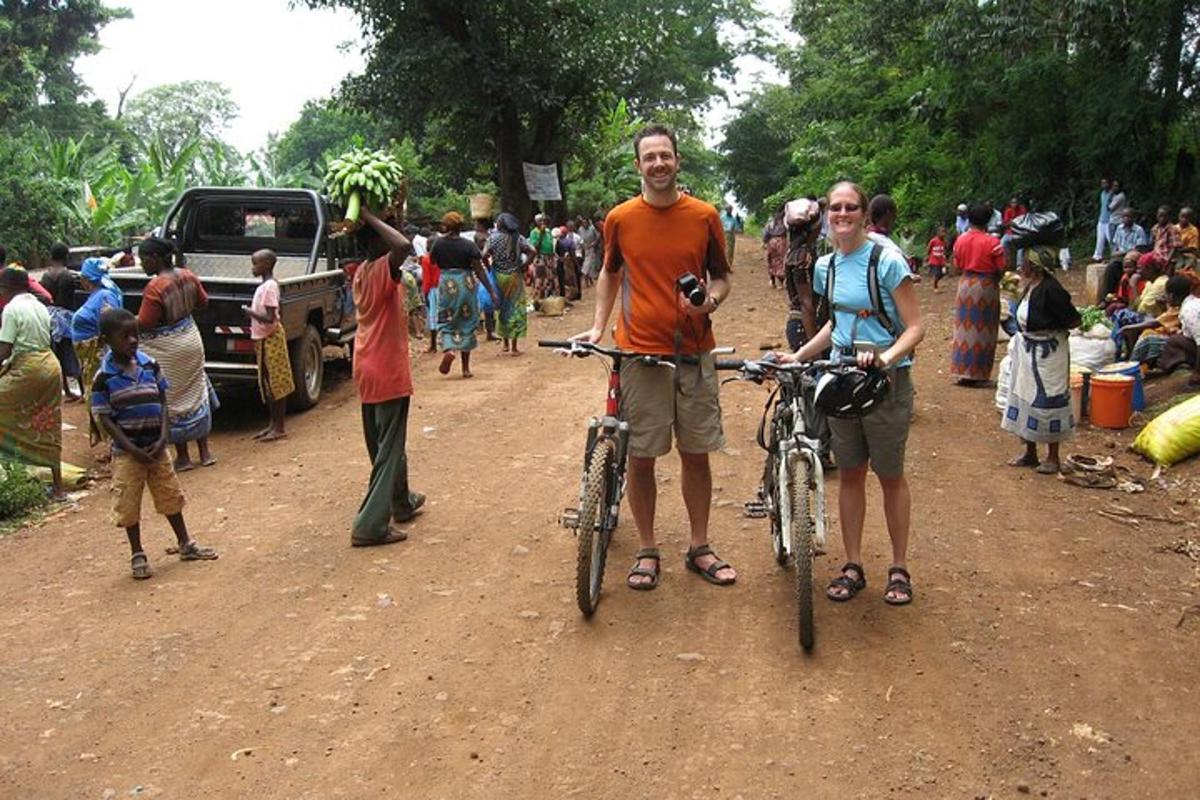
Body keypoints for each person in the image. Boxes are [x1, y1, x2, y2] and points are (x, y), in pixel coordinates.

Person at [572, 123, 735, 590]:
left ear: (677, 161)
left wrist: (711, 301)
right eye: (650, 157)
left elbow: (722, 276)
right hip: (640, 352)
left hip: (694, 352)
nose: (659, 163)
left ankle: (699, 546)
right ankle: (647, 548)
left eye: (666, 155)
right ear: (638, 165)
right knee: (641, 456)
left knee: (696, 453)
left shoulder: (704, 215)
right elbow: (609, 274)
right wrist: (599, 327)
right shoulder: (620, 218)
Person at [783, 181, 925, 606]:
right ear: (827, 215)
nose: (842, 215)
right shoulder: (825, 266)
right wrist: (801, 356)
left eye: (851, 208)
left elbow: (916, 326)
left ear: (865, 214)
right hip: (843, 376)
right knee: (849, 473)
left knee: (890, 474)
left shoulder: (886, 261)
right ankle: (853, 563)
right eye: (836, 208)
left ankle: (898, 567)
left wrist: (885, 356)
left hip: (886, 381)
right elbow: (835, 325)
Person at [91, 307, 217, 579]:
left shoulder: (150, 364)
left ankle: (185, 543)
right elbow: (106, 419)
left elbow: (162, 401)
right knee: (128, 502)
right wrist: (131, 448)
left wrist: (163, 437)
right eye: (125, 337)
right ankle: (137, 553)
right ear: (107, 341)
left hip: (157, 448)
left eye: (135, 335)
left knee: (170, 494)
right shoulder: (103, 378)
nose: (133, 341)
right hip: (128, 453)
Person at [350, 207, 425, 547]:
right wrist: (369, 216)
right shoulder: (381, 268)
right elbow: (403, 247)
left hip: (366, 363)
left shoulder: (362, 272)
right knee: (389, 448)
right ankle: (370, 525)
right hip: (386, 366)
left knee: (386, 443)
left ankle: (401, 501)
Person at [135, 237, 217, 471]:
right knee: (197, 390)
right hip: (191, 338)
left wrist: (123, 320)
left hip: (168, 348)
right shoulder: (188, 275)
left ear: (155, 258)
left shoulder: (156, 286)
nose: (142, 265)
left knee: (172, 399)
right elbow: (203, 302)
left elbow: (146, 322)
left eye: (143, 259)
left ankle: (183, 456)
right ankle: (205, 451)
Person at [1001, 248, 1082, 475]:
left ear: (1035, 266)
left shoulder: (1051, 290)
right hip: (1028, 349)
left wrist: (1049, 331)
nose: (1021, 266)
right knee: (1026, 396)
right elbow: (1008, 295)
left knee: (1049, 399)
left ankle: (1053, 457)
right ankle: (1030, 451)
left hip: (1048, 353)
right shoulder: (1028, 285)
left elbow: (1073, 319)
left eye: (1024, 263)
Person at [0, 266, 64, 498]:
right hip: (50, 364)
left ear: (6, 288)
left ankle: (9, 470)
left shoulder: (10, 309)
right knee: (48, 422)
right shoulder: (38, 305)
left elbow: (4, 350)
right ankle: (58, 487)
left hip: (29, 368)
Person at [432, 211, 498, 379]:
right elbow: (479, 269)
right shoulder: (469, 245)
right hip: (465, 284)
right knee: (467, 321)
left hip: (447, 283)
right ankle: (465, 368)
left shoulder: (438, 244)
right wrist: (491, 291)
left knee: (447, 320)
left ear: (446, 226)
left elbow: (433, 261)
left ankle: (449, 349)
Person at [950, 203, 1006, 385]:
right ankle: (979, 375)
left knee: (964, 329)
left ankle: (962, 372)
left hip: (965, 285)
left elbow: (956, 266)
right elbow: (1001, 267)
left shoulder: (961, 240)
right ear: (988, 221)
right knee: (984, 329)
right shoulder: (993, 242)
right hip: (986, 286)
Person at [241, 249, 293, 442]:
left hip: (271, 338)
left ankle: (279, 427)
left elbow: (270, 318)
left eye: (256, 264)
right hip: (263, 338)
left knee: (276, 382)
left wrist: (250, 312)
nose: (253, 268)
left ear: (267, 265)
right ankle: (273, 424)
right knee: (267, 382)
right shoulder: (264, 286)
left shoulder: (270, 287)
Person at [482, 212, 536, 355]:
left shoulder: (492, 239)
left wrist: (489, 268)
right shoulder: (518, 238)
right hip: (514, 276)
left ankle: (505, 344)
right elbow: (532, 251)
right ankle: (514, 347)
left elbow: (484, 255)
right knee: (516, 309)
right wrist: (525, 265)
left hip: (498, 275)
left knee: (503, 309)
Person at [39, 242, 82, 400]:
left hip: (51, 318)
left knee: (57, 354)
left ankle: (66, 390)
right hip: (67, 319)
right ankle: (82, 390)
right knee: (73, 352)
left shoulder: (46, 276)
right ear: (66, 256)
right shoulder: (68, 275)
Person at [1121, 276, 1193, 365]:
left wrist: (1128, 328)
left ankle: (1133, 364)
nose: (1165, 297)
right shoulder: (1182, 304)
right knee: (1147, 332)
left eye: (1166, 294)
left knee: (1148, 340)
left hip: (1185, 342)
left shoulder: (1181, 309)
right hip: (1182, 338)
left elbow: (1155, 323)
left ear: (1171, 296)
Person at [783, 198, 824, 350]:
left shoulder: (795, 252)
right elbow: (807, 304)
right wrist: (814, 347)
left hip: (803, 326)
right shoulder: (803, 258)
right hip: (806, 328)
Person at [1155, 280, 1200, 385]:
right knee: (1176, 338)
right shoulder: (1193, 302)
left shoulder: (1189, 310)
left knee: (1174, 342)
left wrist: (1198, 373)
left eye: (1166, 294)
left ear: (1171, 295)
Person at [528, 214, 556, 299]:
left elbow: (551, 244)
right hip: (540, 257)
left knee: (550, 278)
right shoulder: (534, 232)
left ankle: (548, 298)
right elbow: (535, 247)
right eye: (540, 221)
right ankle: (539, 298)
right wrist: (541, 234)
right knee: (540, 278)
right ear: (536, 222)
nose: (542, 222)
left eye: (544, 220)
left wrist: (552, 256)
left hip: (549, 258)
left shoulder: (548, 231)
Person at [762, 207, 788, 290]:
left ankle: (772, 281)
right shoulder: (785, 222)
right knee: (780, 262)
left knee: (771, 261)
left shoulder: (771, 223)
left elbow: (766, 234)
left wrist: (764, 242)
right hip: (782, 243)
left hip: (772, 242)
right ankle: (780, 283)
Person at [555, 222, 581, 300]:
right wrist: (576, 264)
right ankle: (574, 295)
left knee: (561, 279)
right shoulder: (570, 242)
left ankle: (563, 294)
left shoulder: (557, 242)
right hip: (569, 262)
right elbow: (572, 254)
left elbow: (555, 252)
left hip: (560, 261)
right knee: (572, 279)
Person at [577, 217, 601, 287]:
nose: (584, 224)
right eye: (583, 222)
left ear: (588, 223)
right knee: (587, 266)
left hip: (592, 249)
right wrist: (582, 246)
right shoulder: (580, 229)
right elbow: (579, 239)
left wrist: (594, 243)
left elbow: (598, 236)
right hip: (584, 249)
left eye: (585, 222)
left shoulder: (592, 228)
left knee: (587, 266)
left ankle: (587, 282)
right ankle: (590, 281)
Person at [1093, 178, 1113, 261]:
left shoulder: (1112, 194)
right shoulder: (1102, 193)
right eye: (1102, 183)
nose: (1104, 185)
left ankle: (1115, 255)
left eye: (1106, 183)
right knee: (1100, 239)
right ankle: (1097, 256)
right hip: (1101, 220)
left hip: (1109, 220)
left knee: (1111, 240)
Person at [926, 225, 948, 291]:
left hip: (941, 261)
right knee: (937, 273)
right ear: (938, 233)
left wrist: (944, 259)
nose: (943, 234)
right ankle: (935, 287)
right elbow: (928, 249)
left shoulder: (944, 242)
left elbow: (944, 250)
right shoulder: (933, 241)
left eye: (944, 232)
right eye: (942, 232)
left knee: (943, 273)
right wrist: (928, 256)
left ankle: (935, 281)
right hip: (934, 261)